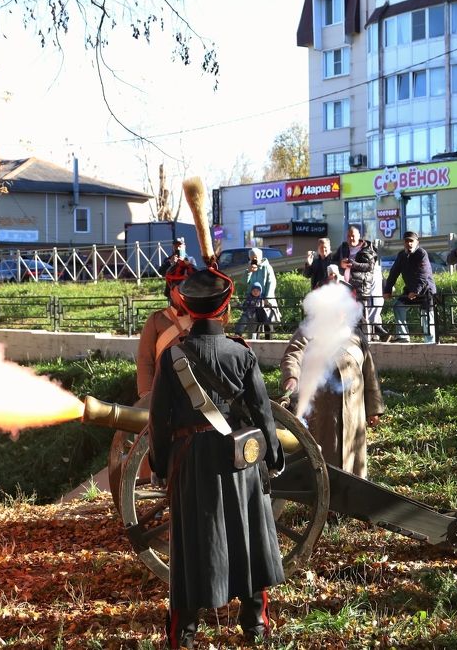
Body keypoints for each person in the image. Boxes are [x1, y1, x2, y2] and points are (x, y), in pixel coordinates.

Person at [150, 267, 285, 648]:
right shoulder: (241, 353)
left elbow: (158, 420)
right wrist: (272, 456)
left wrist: (161, 465)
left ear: (188, 308)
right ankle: (255, 624)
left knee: (191, 544)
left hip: (192, 461)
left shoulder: (171, 357)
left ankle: (184, 634)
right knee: (248, 537)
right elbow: (262, 412)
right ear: (225, 308)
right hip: (239, 459)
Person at [279, 293, 385, 478]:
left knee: (354, 460)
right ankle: (326, 500)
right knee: (326, 457)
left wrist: (373, 408)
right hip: (323, 410)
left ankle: (351, 497)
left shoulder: (356, 335)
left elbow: (369, 373)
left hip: (355, 411)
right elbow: (293, 354)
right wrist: (292, 376)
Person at [136, 260, 195, 402]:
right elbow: (145, 360)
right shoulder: (157, 320)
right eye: (182, 287)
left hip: (198, 395)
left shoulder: (203, 320)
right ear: (171, 289)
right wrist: (147, 395)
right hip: (163, 393)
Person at [383, 231, 436, 343]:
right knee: (398, 306)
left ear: (417, 242)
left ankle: (430, 342)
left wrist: (415, 291)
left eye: (411, 241)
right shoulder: (401, 255)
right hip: (410, 291)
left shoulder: (421, 253)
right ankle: (403, 337)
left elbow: (424, 275)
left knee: (426, 317)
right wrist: (387, 290)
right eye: (406, 241)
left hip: (426, 291)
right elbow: (393, 273)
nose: (409, 243)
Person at [332, 225, 378, 335]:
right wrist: (340, 264)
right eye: (348, 236)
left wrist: (354, 264)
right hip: (345, 286)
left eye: (353, 236)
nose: (350, 239)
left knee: (361, 314)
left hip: (361, 286)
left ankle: (366, 338)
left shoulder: (367, 248)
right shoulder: (343, 247)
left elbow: (370, 266)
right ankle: (350, 336)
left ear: (359, 236)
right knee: (346, 313)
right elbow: (332, 262)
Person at [242, 248, 280, 339]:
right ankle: (254, 342)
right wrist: (248, 272)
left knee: (267, 322)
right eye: (251, 258)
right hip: (253, 300)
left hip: (264, 300)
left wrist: (268, 297)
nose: (253, 260)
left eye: (255, 258)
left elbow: (271, 282)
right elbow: (244, 282)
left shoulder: (267, 267)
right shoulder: (250, 267)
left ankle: (269, 341)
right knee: (254, 323)